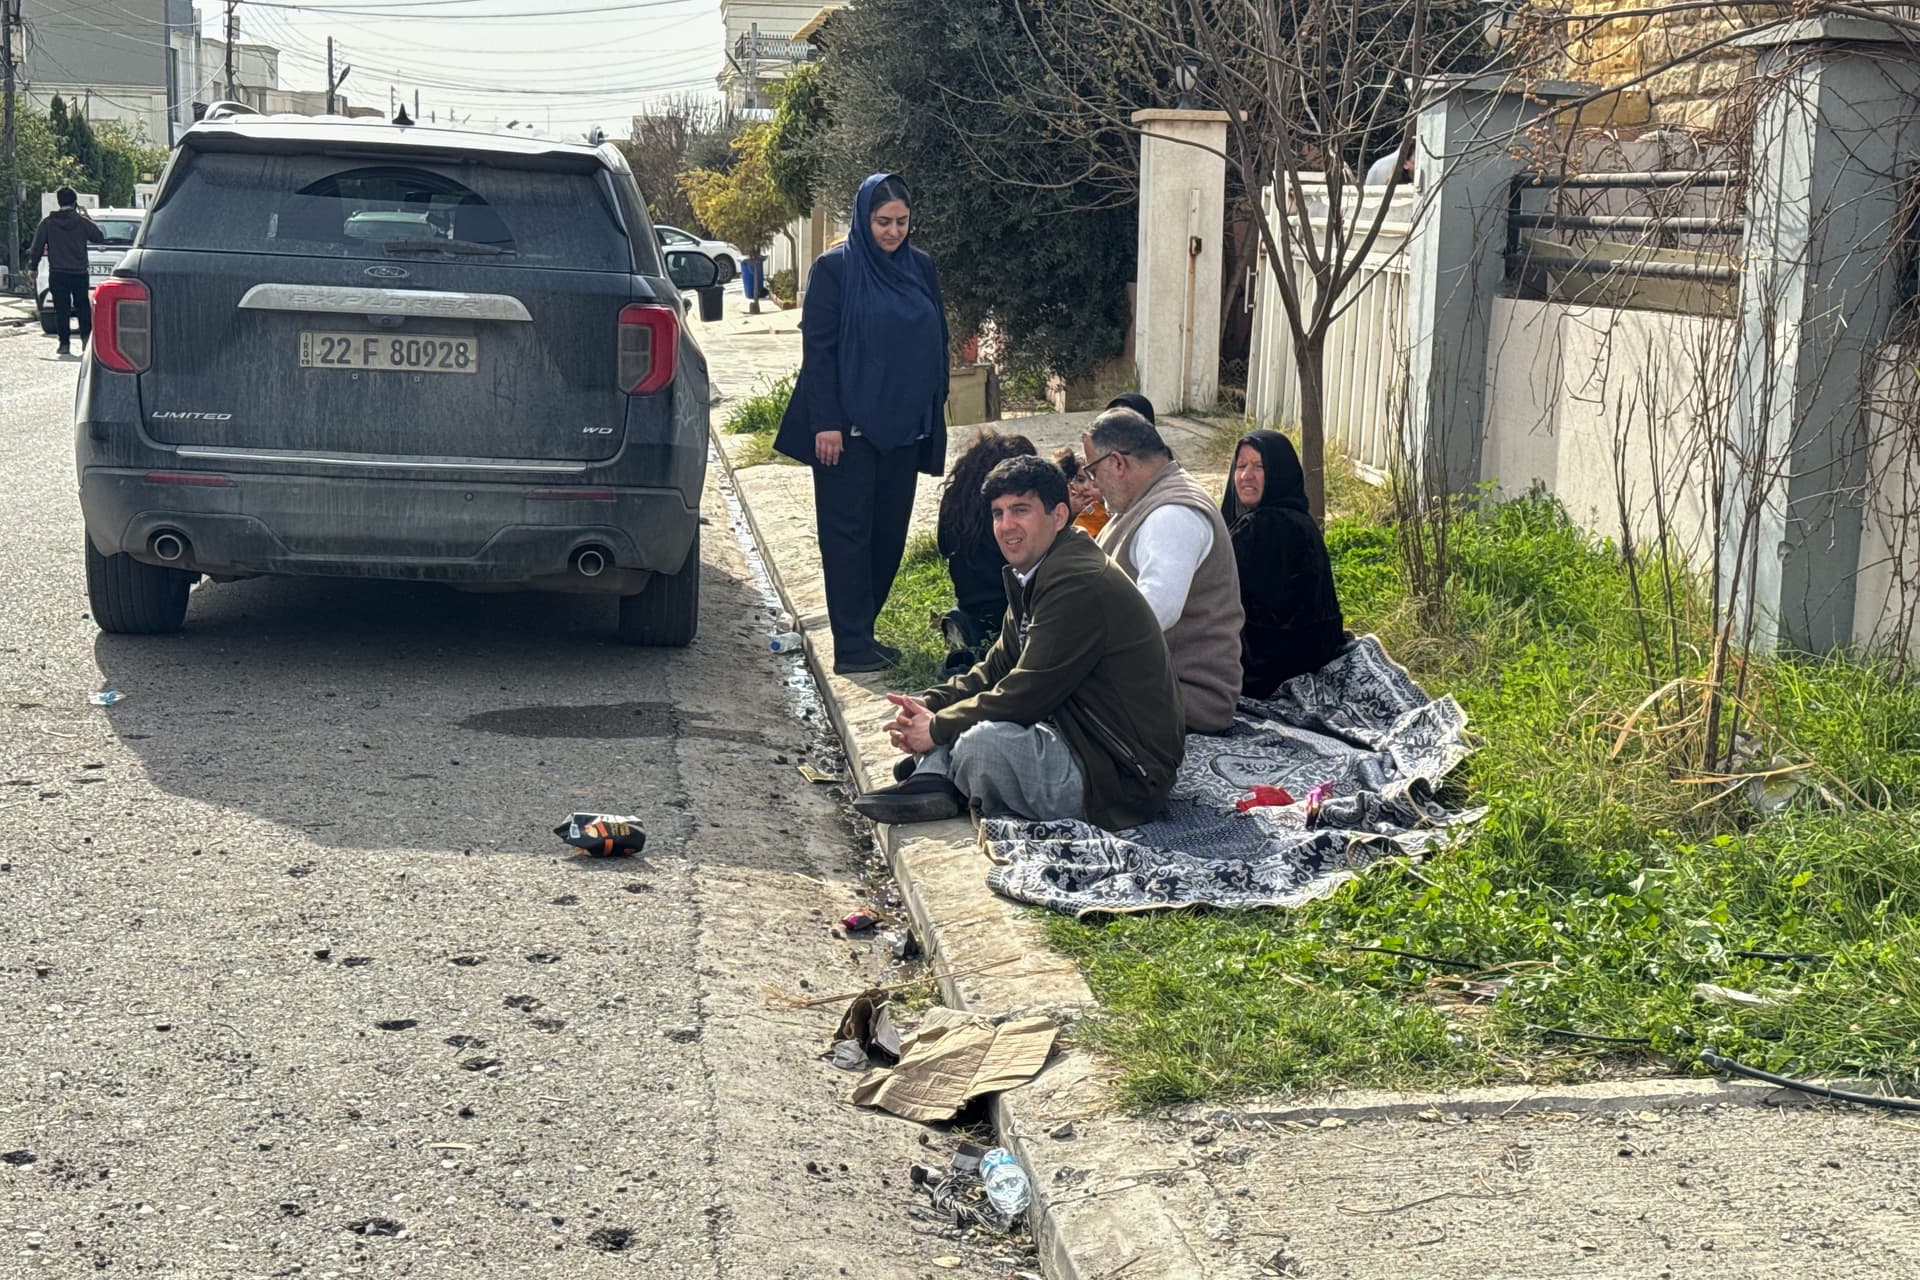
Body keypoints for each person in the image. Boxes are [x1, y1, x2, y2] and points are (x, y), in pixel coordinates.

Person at [850, 455, 1185, 829]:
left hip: (1120, 777)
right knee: (967, 725)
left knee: (981, 745)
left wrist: (937, 728)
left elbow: (1026, 692)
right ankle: (936, 775)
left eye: (1020, 511)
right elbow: (996, 669)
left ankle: (937, 773)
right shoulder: (1040, 570)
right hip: (1075, 735)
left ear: (1058, 516)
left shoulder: (1077, 583)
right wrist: (927, 703)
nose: (1006, 526)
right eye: (998, 513)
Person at [774, 173, 949, 675]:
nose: (893, 232)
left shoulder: (921, 268)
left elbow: (937, 338)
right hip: (845, 434)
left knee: (889, 533)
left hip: (905, 427)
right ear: (863, 219)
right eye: (882, 222)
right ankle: (851, 645)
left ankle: (864, 630)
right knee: (847, 536)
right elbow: (820, 351)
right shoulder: (836, 270)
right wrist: (825, 422)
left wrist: (930, 412)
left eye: (901, 221)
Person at [1083, 407, 1244, 734]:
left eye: (1092, 470)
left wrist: (1071, 642)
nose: (1094, 484)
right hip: (1150, 680)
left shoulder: (1172, 514)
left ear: (1117, 463)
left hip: (1189, 695)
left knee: (1048, 696)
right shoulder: (1149, 499)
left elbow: (1155, 611)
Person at [1222, 431, 1346, 697]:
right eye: (1241, 466)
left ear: (1279, 472)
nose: (1246, 476)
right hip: (1314, 658)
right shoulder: (1302, 521)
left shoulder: (1258, 527)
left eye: (1259, 466)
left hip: (1267, 670)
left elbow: (1213, 594)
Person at [936, 429, 1036, 662]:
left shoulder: (955, 497)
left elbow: (943, 544)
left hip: (970, 600)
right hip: (1010, 604)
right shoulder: (1013, 510)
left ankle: (967, 625)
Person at [26, 187, 105, 358]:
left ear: (59, 202)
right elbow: (99, 237)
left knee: (61, 309)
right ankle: (85, 339)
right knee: (83, 306)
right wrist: (86, 216)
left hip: (58, 272)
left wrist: (33, 267)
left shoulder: (48, 223)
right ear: (75, 202)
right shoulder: (82, 222)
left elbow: (37, 247)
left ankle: (64, 344)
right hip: (79, 272)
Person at [1052, 446, 1110, 537]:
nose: (1085, 487)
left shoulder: (1112, 510)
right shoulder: (1068, 505)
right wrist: (1069, 510)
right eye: (1080, 480)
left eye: (1093, 479)